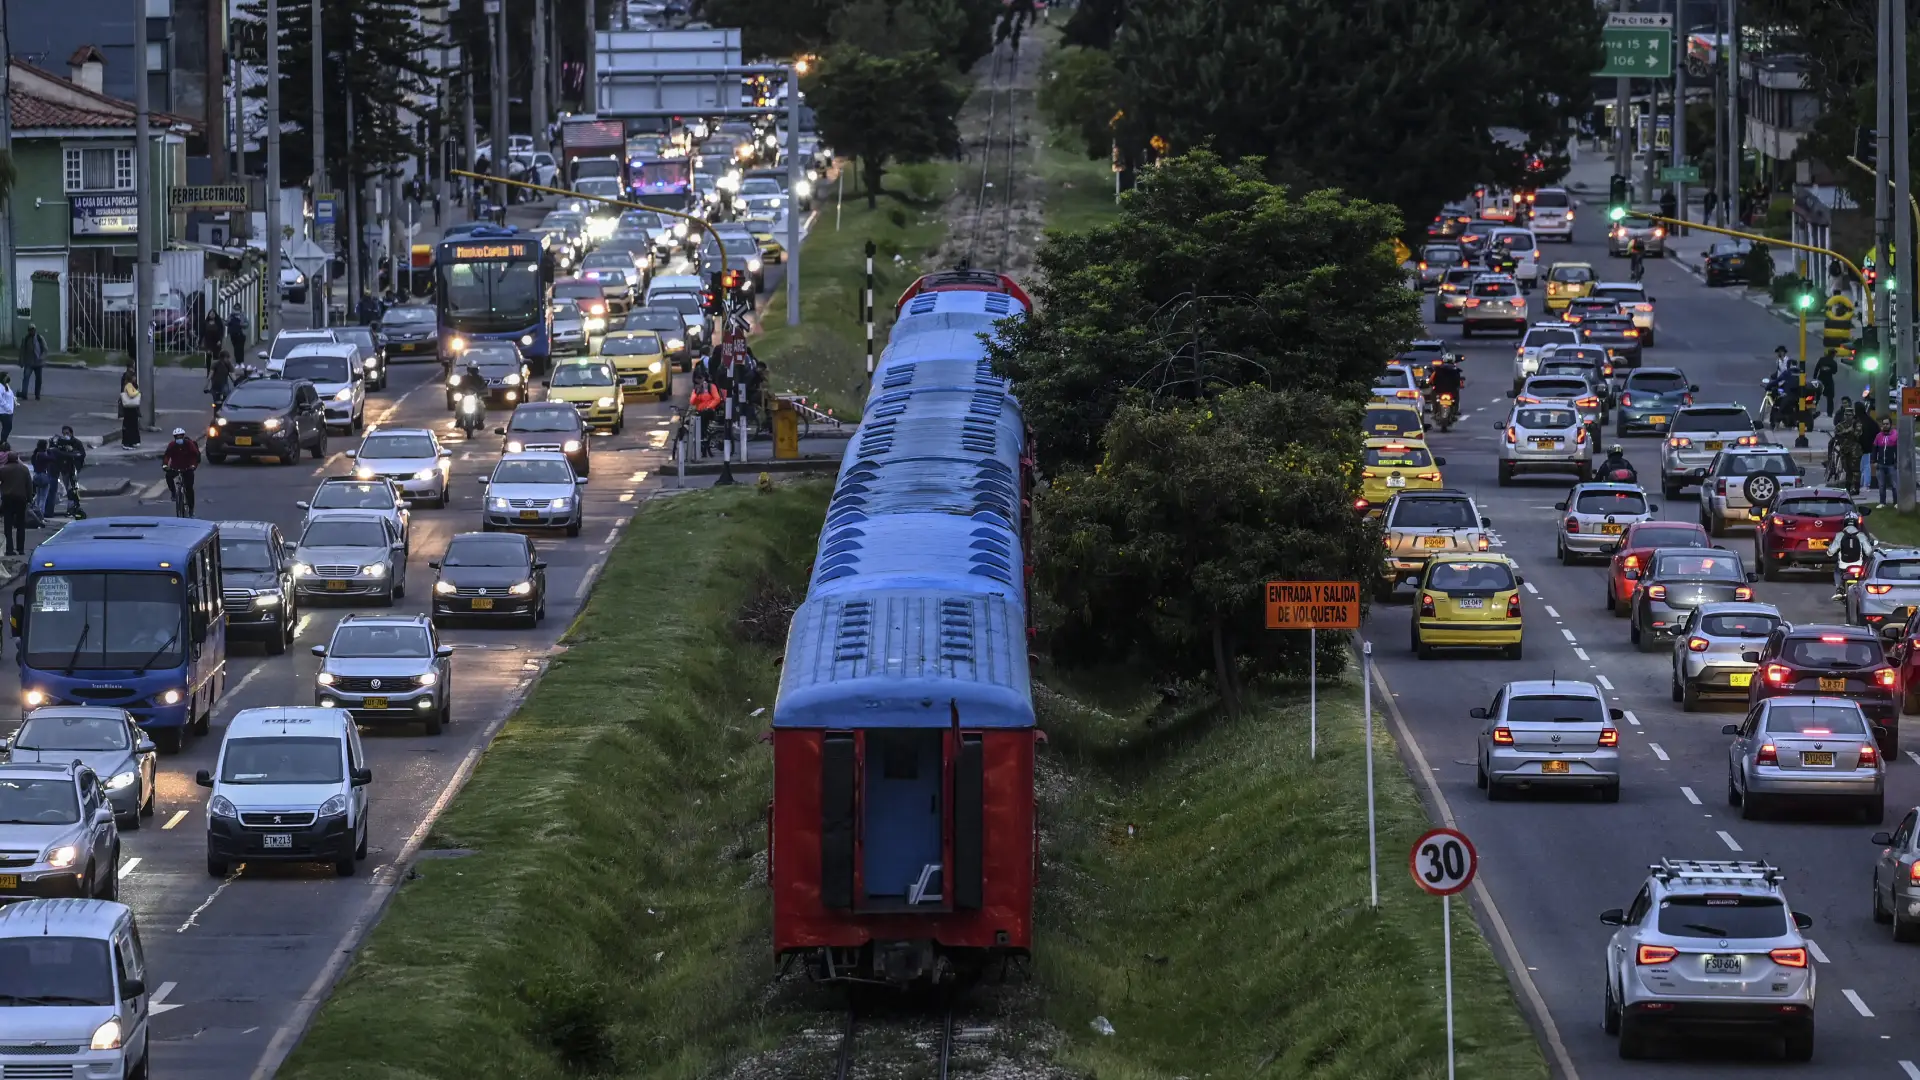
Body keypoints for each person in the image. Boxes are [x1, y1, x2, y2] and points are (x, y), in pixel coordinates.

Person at [161, 427, 200, 516]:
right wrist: (165, 465)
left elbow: (195, 455)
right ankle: (174, 493)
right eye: (177, 437)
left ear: (183, 436)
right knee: (168, 476)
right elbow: (167, 456)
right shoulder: (172, 445)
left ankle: (191, 509)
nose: (179, 439)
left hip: (188, 468)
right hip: (175, 467)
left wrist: (193, 465)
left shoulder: (189, 444)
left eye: (180, 437)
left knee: (189, 489)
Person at [1834, 512, 1872, 599]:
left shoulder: (1839, 535)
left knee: (1836, 570)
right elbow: (1869, 552)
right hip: (1859, 565)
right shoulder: (1861, 536)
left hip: (1843, 566)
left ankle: (1839, 588)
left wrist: (1829, 553)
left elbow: (1831, 551)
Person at [49, 426, 84, 518]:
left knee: (73, 489)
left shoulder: (76, 442)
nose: (65, 435)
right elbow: (55, 452)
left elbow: (81, 455)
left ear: (71, 433)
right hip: (64, 469)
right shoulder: (60, 442)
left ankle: (73, 507)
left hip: (74, 469)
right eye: (64, 433)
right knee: (68, 489)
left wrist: (72, 453)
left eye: (67, 433)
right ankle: (71, 507)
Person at [0, 452, 29, 557]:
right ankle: (20, 549)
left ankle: (9, 549)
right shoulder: (24, 469)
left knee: (8, 525)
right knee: (21, 525)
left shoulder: (3, 469)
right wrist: (29, 499)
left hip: (7, 499)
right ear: (17, 459)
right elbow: (29, 485)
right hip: (21, 499)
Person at [1873, 417, 1900, 506]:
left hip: (1892, 464)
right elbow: (1874, 449)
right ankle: (1882, 502)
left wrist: (1897, 462)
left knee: (1894, 485)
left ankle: (1896, 502)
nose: (1885, 425)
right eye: (1883, 424)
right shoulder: (1878, 436)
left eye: (1887, 424)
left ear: (1890, 425)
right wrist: (1874, 461)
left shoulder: (1895, 435)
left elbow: (1898, 450)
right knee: (1881, 485)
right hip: (1880, 464)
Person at [18, 322, 46, 400]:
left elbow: (45, 349)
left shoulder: (40, 338)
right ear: (28, 331)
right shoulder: (26, 339)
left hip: (38, 363)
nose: (32, 331)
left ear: (35, 330)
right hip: (29, 363)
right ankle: (24, 394)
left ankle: (37, 394)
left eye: (33, 330)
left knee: (39, 379)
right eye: (30, 330)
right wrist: (21, 361)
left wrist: (41, 357)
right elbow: (22, 351)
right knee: (26, 377)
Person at [1813, 349, 1840, 419]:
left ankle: (1812, 410)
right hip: (1828, 380)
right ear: (1833, 354)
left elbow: (1816, 369)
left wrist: (1814, 379)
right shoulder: (1833, 362)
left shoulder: (1821, 360)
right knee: (1830, 398)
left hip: (1820, 379)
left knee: (1816, 397)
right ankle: (1830, 413)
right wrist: (1829, 369)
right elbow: (1834, 372)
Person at [119, 372, 142, 448]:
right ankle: (127, 443)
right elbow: (131, 394)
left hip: (130, 409)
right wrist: (138, 392)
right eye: (134, 377)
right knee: (130, 425)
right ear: (131, 378)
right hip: (129, 409)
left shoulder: (130, 385)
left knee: (131, 425)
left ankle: (131, 442)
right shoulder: (129, 385)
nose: (135, 378)